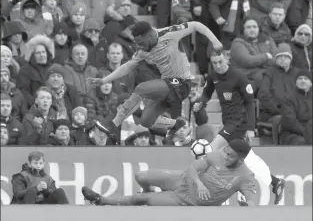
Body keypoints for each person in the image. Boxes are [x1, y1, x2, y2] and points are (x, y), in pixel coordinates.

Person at [86, 21, 223, 139]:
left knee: (141, 88)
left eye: (141, 43)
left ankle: (113, 124)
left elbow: (196, 25)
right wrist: (104, 80)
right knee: (146, 121)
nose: (140, 47)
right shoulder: (142, 50)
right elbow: (128, 66)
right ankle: (175, 125)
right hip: (167, 86)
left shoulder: (170, 33)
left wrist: (215, 41)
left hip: (182, 84)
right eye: (137, 44)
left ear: (151, 35)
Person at [194, 51, 285, 204]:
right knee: (245, 159)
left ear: (227, 59)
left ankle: (206, 191)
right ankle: (274, 183)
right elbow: (207, 93)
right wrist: (201, 102)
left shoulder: (239, 76)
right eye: (214, 63)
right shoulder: (213, 76)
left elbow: (250, 102)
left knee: (211, 149)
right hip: (227, 122)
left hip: (239, 122)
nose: (218, 66)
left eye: (220, 62)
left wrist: (250, 127)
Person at [82, 139, 257, 206]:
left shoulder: (245, 176)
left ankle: (101, 200)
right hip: (181, 180)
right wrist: (199, 183)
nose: (224, 155)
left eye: (230, 155)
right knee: (140, 176)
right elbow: (192, 168)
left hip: (187, 200)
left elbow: (251, 200)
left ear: (240, 159)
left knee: (142, 200)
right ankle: (148, 189)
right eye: (225, 151)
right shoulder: (217, 155)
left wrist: (248, 205)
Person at [280, 70, 312, 145]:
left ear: (311, 83)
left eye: (306, 79)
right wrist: (308, 134)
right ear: (296, 83)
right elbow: (290, 122)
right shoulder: (288, 99)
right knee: (302, 144)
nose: (303, 81)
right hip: (293, 134)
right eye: (300, 78)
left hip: (310, 131)